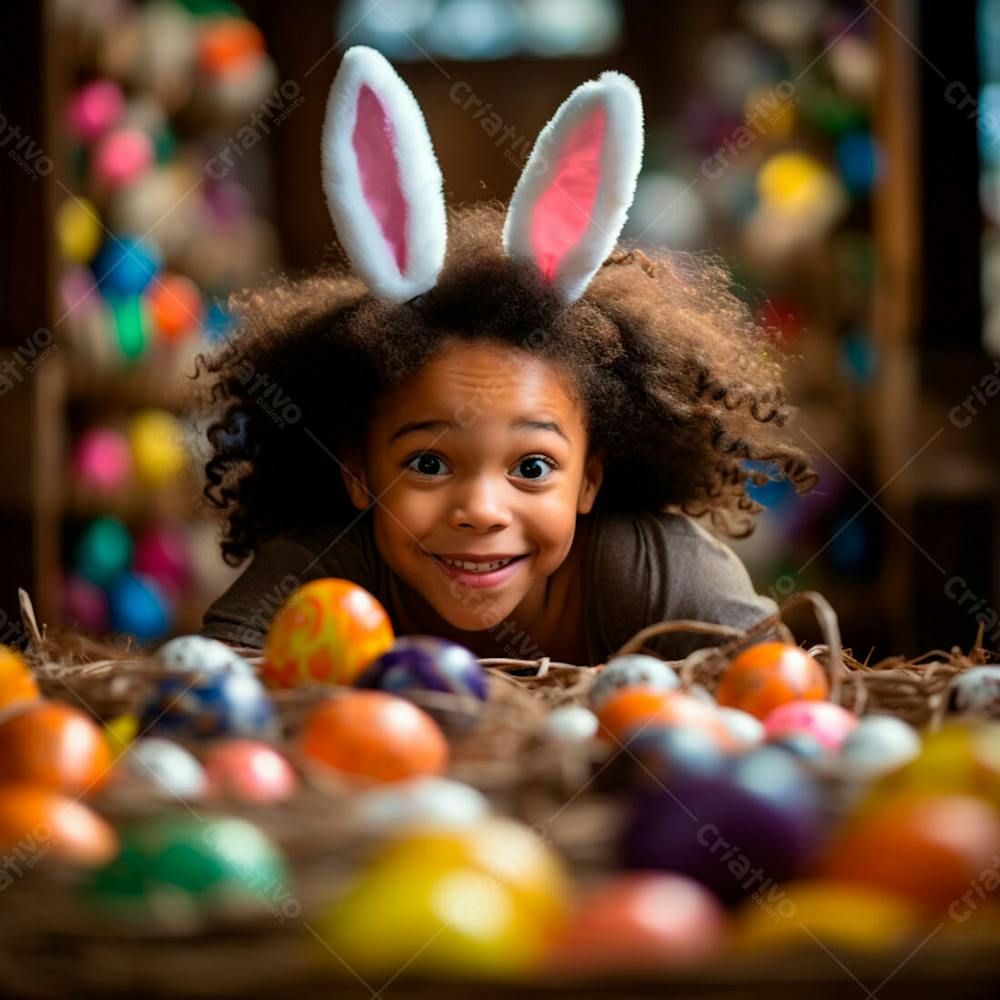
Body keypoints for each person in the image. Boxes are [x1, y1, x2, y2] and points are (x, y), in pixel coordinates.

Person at [194, 46, 816, 666]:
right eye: (430, 464)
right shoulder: (325, 576)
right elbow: (204, 694)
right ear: (359, 474)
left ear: (589, 480)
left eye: (534, 467)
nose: (482, 512)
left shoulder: (658, 572)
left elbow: (782, 697)